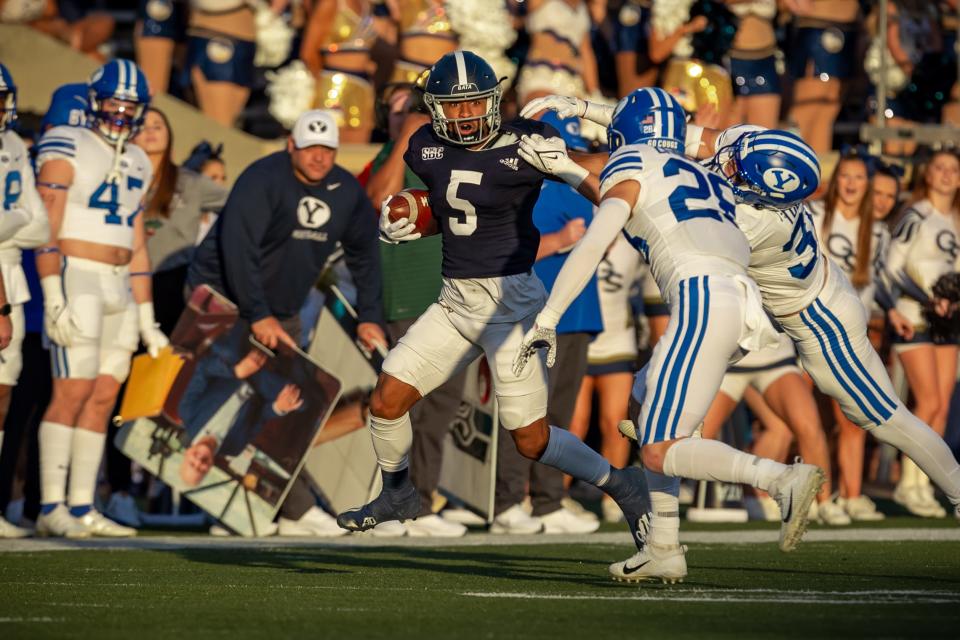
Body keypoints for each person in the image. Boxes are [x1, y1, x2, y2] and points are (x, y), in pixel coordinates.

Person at [336, 51, 654, 564]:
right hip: (455, 300)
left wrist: (577, 173)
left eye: (472, 105)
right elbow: (454, 213)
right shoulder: (424, 146)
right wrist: (412, 221)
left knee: (530, 440)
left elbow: (603, 196)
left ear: (493, 101)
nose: (463, 116)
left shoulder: (526, 142)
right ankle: (398, 493)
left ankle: (623, 484)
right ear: (436, 109)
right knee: (386, 400)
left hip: (513, 304)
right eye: (453, 107)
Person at [516, 88, 823, 586]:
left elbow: (599, 235)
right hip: (735, 300)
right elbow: (624, 185)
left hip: (700, 297)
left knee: (659, 447)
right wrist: (570, 167)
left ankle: (780, 479)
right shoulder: (698, 170)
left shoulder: (633, 160)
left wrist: (549, 316)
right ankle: (663, 546)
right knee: (642, 404)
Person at [188, 108, 387, 536]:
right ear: (291, 145)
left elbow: (366, 255)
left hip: (283, 307)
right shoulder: (262, 179)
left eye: (328, 149)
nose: (319, 157)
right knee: (231, 398)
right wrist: (257, 315)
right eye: (310, 146)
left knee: (289, 402)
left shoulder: (345, 191)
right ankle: (234, 511)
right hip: (225, 299)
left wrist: (370, 317)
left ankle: (288, 508)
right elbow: (239, 250)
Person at [34, 60, 168, 538]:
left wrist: (147, 314)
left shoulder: (135, 156)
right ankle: (51, 504)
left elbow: (135, 239)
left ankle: (82, 504)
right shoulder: (67, 143)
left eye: (130, 105)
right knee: (70, 392)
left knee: (103, 395)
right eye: (115, 101)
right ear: (94, 100)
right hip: (77, 275)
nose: (121, 111)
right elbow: (46, 226)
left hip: (118, 286)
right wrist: (52, 294)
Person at [492, 110, 602, 535]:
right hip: (538, 314)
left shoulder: (579, 187)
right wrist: (562, 241)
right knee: (527, 411)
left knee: (559, 415)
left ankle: (548, 499)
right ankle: (507, 500)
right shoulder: (527, 191)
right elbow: (509, 254)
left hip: (578, 314)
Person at [885, 150, 960, 518]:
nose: (947, 175)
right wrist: (927, 299)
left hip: (947, 322)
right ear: (927, 174)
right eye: (940, 168)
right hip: (915, 316)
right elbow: (891, 267)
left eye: (954, 170)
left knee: (942, 406)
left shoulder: (956, 219)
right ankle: (906, 484)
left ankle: (921, 482)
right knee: (927, 403)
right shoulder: (915, 215)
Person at [0, 63, 50, 538]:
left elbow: (41, 227)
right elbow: (25, 222)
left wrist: (7, 222)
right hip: (8, 279)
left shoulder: (14, 146)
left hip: (12, 282)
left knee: (4, 395)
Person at [134, 108, 228, 335]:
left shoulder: (190, 182)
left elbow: (239, 208)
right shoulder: (119, 176)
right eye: (143, 126)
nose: (151, 132)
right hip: (125, 281)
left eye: (158, 126)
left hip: (172, 283)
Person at [300, 0, 378, 143]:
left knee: (357, 155)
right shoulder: (330, 3)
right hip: (332, 88)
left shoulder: (366, 4)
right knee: (326, 147)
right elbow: (308, 53)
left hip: (363, 87)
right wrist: (320, 86)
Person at [516, 0, 599, 105]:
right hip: (542, 77)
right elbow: (530, 6)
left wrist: (594, 92)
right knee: (544, 116)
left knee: (589, 117)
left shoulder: (582, 6)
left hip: (572, 83)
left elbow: (586, 52)